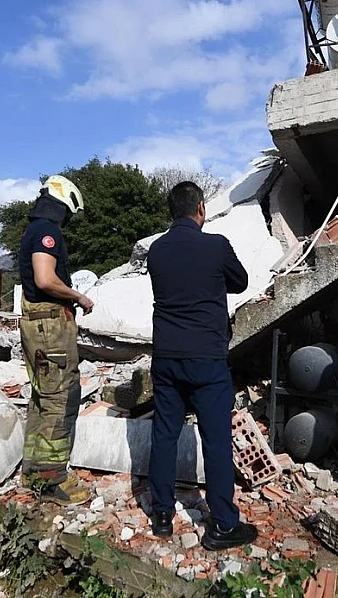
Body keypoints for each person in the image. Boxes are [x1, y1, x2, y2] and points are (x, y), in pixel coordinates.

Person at [145, 181, 257, 551]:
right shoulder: (216, 246)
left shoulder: (156, 250)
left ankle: (162, 515)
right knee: (216, 439)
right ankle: (223, 524)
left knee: (164, 434)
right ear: (201, 208)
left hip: (166, 357)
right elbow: (240, 282)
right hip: (207, 358)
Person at [18, 175, 95, 504]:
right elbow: (45, 279)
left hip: (38, 324)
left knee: (42, 396)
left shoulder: (33, 230)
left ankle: (35, 471)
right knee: (60, 399)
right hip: (49, 325)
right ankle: (52, 480)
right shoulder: (46, 232)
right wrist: (78, 296)